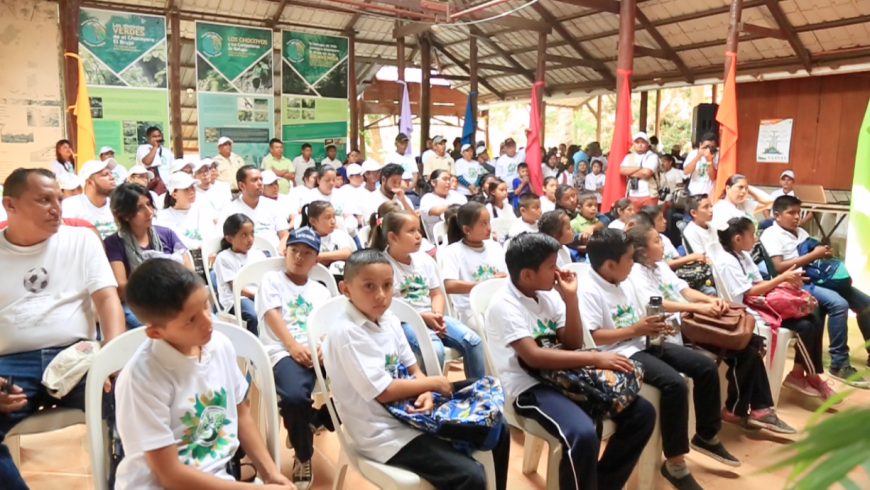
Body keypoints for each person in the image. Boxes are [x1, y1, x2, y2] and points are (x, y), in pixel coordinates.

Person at [322, 250, 510, 490]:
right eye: (369, 286)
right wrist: (431, 384)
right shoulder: (348, 333)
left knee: (496, 423)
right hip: (383, 433)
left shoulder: (388, 318)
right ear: (346, 289)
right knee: (469, 476)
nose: (381, 295)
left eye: (387, 285)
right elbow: (384, 392)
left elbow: (413, 368)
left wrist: (426, 392)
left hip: (410, 410)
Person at [485, 233, 655, 490]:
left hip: (567, 375)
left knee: (642, 413)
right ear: (528, 274)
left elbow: (573, 343)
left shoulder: (548, 294)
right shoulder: (504, 305)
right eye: (552, 266)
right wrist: (596, 358)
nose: (558, 271)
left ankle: (603, 484)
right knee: (583, 434)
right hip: (530, 387)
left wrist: (570, 299)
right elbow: (533, 356)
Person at [114, 259, 294, 490]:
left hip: (216, 479)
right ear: (156, 332)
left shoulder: (219, 346)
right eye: (191, 320)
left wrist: (270, 474)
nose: (208, 322)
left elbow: (241, 413)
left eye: (206, 306)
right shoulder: (142, 378)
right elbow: (170, 476)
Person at [582, 228, 739, 490]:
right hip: (618, 352)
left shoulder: (623, 278)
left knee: (705, 366)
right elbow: (593, 337)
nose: (633, 263)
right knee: (674, 384)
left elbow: (639, 315)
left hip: (641, 342)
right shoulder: (588, 289)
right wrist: (636, 330)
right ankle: (675, 464)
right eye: (629, 259)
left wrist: (654, 325)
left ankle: (706, 434)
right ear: (610, 264)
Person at [0, 168, 124, 490]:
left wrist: (113, 358)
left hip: (78, 357)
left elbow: (109, 300)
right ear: (9, 205)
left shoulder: (81, 240)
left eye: (59, 199)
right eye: (44, 200)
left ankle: (126, 484)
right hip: (11, 364)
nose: (57, 208)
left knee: (132, 397)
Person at [627, 225, 796, 433]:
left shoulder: (660, 266)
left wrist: (711, 300)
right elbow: (656, 303)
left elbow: (685, 290)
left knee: (751, 343)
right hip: (677, 327)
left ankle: (750, 408)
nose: (663, 244)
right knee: (743, 348)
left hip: (691, 318)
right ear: (643, 251)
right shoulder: (635, 272)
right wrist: (697, 307)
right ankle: (746, 409)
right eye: (656, 241)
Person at [717, 217, 835, 401]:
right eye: (752, 235)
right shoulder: (727, 261)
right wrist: (781, 278)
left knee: (814, 319)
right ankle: (811, 376)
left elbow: (758, 282)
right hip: (749, 309)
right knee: (804, 326)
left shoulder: (743, 255)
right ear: (738, 239)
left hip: (760, 300)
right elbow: (750, 291)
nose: (756, 239)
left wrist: (787, 281)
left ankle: (798, 374)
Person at [761, 196, 870, 386]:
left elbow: (813, 252)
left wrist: (823, 252)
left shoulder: (800, 232)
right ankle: (839, 363)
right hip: (796, 282)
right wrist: (813, 255)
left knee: (866, 304)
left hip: (818, 276)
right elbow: (779, 267)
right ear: (777, 215)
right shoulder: (771, 235)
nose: (796, 217)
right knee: (838, 304)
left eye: (799, 213)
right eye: (791, 213)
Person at [256, 227, 334, 488]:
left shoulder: (321, 290)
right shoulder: (272, 280)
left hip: (316, 352)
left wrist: (323, 347)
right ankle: (303, 454)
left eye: (307, 253)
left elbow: (326, 325)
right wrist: (292, 347)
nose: (299, 257)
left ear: (316, 259)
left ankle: (315, 419)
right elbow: (272, 315)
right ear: (285, 251)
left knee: (364, 382)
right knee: (293, 397)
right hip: (283, 351)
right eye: (294, 251)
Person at [372, 210, 485, 379]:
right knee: (434, 349)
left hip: (433, 316)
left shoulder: (424, 259)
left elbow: (436, 293)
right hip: (403, 322)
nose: (418, 236)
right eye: (411, 231)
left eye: (418, 230)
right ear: (393, 237)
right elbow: (388, 307)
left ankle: (476, 392)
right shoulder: (381, 266)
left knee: (473, 342)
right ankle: (428, 396)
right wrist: (425, 318)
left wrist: (438, 314)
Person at [105, 182, 191, 328]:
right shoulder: (114, 243)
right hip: (137, 304)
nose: (149, 212)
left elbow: (189, 271)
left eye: (149, 204)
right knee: (167, 328)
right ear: (124, 214)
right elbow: (122, 286)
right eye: (139, 208)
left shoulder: (166, 234)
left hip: (173, 299)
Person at [442, 202, 508, 323]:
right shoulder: (454, 251)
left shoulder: (495, 246)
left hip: (499, 303)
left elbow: (507, 275)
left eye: (488, 222)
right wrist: (484, 284)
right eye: (483, 224)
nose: (489, 227)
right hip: (472, 311)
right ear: (466, 229)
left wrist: (503, 278)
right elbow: (449, 285)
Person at [217, 166, 290, 255]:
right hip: (244, 259)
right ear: (242, 185)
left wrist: (280, 252)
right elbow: (223, 239)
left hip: (274, 255)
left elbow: (284, 235)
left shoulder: (273, 205)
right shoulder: (229, 210)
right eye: (254, 180)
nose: (260, 183)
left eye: (261, 179)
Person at [215, 213, 268, 334]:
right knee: (253, 316)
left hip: (257, 295)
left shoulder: (258, 254)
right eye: (244, 235)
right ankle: (254, 348)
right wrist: (258, 296)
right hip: (236, 298)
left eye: (252, 233)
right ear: (229, 239)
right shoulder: (224, 258)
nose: (250, 239)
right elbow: (236, 287)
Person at [155, 172, 217, 250]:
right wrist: (199, 246)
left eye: (192, 187)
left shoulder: (202, 210)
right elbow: (177, 240)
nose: (192, 192)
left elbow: (211, 235)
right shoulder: (164, 216)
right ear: (174, 194)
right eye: (186, 189)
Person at [638, 205, 706, 271]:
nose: (665, 221)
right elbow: (663, 264)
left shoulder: (664, 238)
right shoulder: (647, 242)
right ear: (649, 223)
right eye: (660, 219)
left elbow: (677, 258)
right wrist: (691, 257)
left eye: (664, 217)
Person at [62, 159, 118, 238]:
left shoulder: (117, 205)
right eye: (105, 174)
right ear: (89, 182)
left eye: (111, 173)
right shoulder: (70, 206)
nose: (112, 177)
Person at [300, 201, 355, 276]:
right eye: (327, 218)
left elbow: (346, 253)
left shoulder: (339, 234)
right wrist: (335, 256)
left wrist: (320, 256)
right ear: (313, 221)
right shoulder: (305, 237)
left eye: (333, 217)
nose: (333, 221)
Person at [419, 169, 466, 239]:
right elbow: (436, 211)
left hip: (460, 235)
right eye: (444, 179)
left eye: (449, 179)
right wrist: (455, 207)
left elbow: (466, 209)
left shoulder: (456, 195)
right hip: (439, 239)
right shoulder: (427, 198)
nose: (448, 182)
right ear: (433, 182)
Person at [619, 132, 660, 209]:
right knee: (633, 219)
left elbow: (646, 173)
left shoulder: (652, 156)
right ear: (633, 144)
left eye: (643, 142)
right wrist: (639, 167)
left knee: (649, 219)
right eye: (637, 142)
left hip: (649, 195)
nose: (640, 145)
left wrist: (629, 172)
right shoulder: (628, 157)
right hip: (632, 194)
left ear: (648, 143)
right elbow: (622, 171)